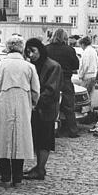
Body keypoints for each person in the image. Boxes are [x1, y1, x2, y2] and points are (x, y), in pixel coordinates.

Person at [0, 35, 39, 188]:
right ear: (21, 48)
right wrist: (32, 103)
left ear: (8, 47)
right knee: (20, 140)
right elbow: (36, 90)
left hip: (3, 104)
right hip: (23, 105)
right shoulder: (29, 67)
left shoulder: (0, 64)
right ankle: (18, 177)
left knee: (2, 140)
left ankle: (5, 175)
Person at [24, 38, 62, 181]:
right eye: (28, 52)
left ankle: (40, 169)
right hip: (35, 108)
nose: (31, 55)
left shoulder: (53, 66)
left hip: (45, 109)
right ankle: (38, 167)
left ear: (40, 49)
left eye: (33, 51)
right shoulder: (31, 65)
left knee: (45, 140)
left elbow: (51, 90)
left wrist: (35, 101)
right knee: (37, 138)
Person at [46, 28, 80, 138]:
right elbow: (76, 65)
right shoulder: (69, 50)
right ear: (65, 38)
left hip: (50, 80)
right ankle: (72, 130)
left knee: (50, 105)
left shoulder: (46, 49)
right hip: (65, 79)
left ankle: (52, 130)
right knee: (69, 106)